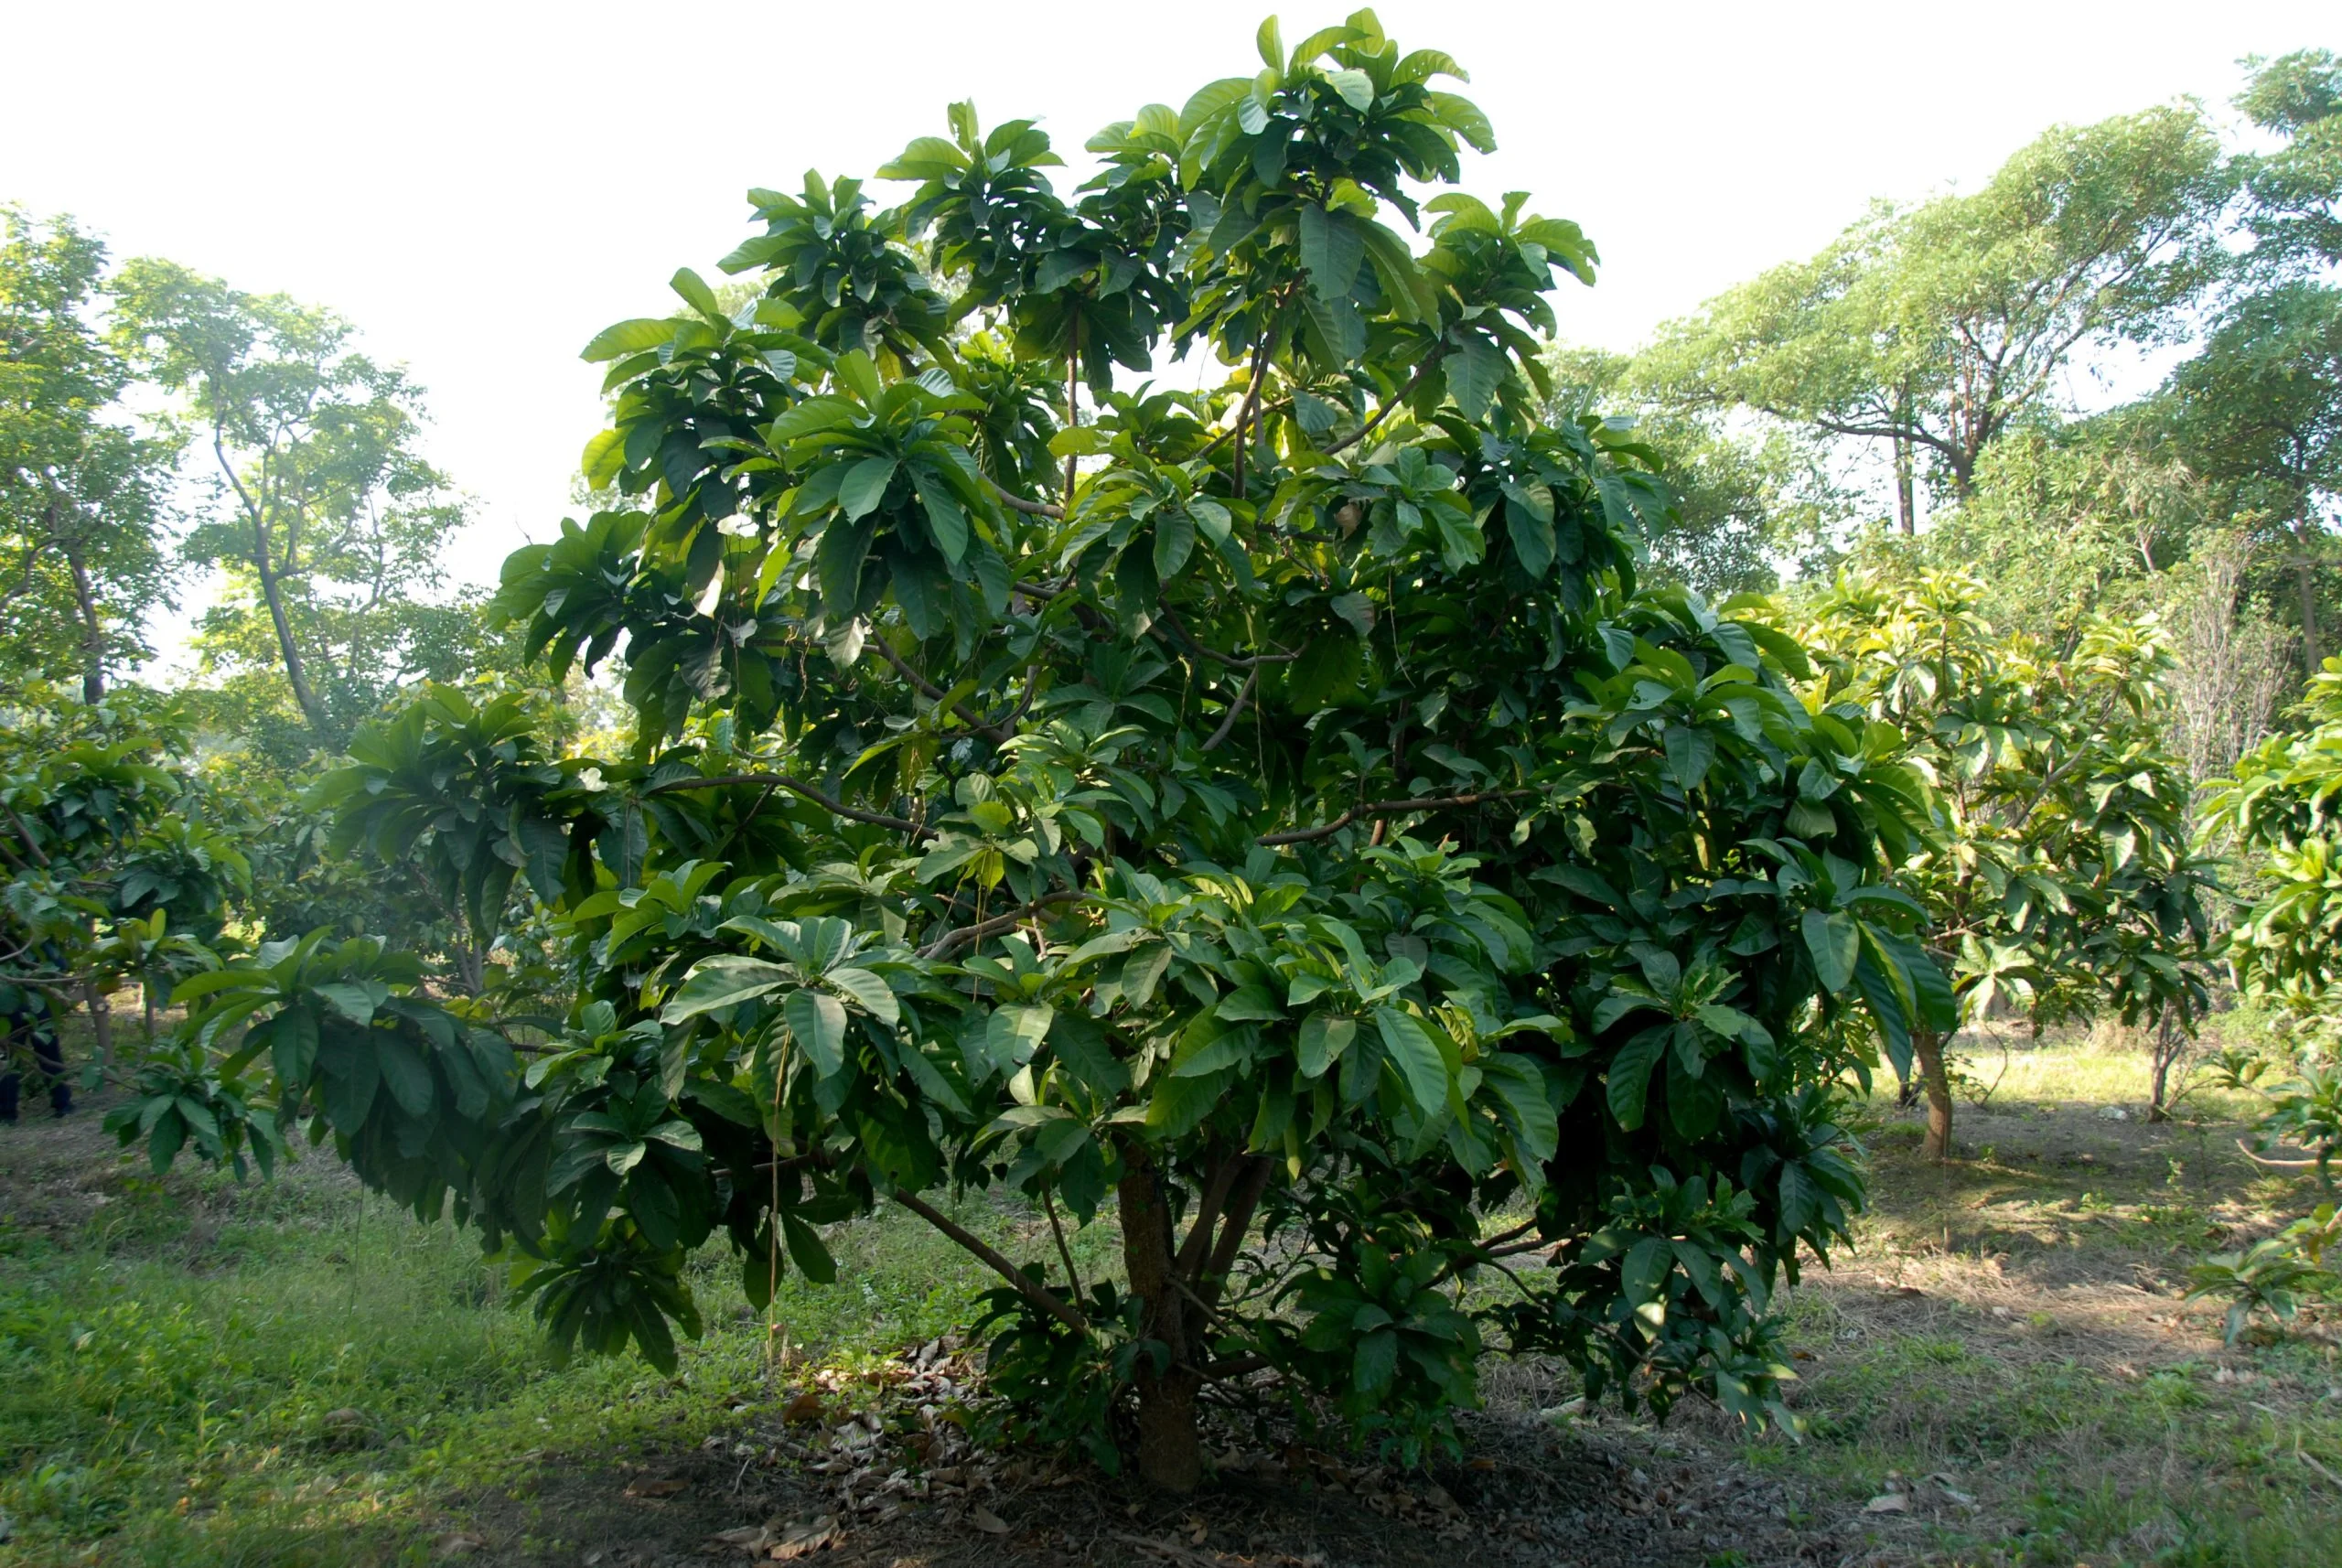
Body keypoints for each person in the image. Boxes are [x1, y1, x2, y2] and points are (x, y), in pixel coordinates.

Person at [0, 978, 71, 1122]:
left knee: (8, 1058)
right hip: (36, 999)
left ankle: (6, 1113)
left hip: (8, 1003)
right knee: (50, 1054)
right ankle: (63, 1103)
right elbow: (59, 964)